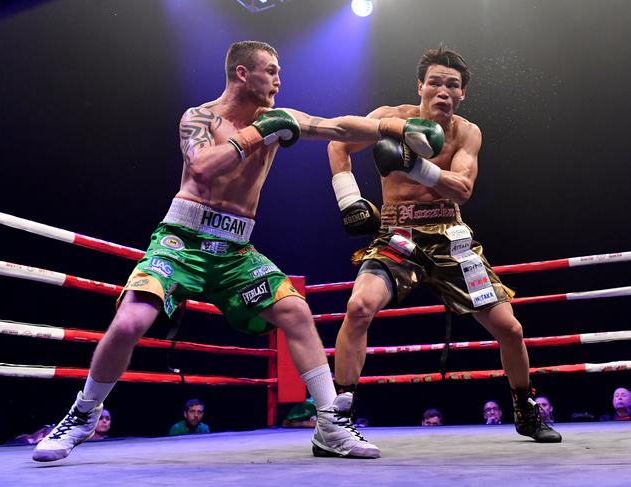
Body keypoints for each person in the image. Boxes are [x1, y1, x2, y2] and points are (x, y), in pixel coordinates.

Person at [33, 40, 434, 462]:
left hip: (236, 249)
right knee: (132, 319)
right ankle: (82, 415)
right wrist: (256, 133)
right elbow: (203, 166)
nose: (280, 80)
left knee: (295, 311)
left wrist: (396, 129)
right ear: (243, 73)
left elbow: (337, 127)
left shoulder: (280, 118)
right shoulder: (199, 117)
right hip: (181, 241)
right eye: (271, 71)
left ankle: (331, 425)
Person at [328, 47, 561, 446]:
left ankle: (525, 409)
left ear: (462, 94)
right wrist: (348, 198)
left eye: (452, 85)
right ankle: (337, 415)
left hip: (451, 238)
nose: (442, 91)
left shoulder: (467, 132)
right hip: (397, 235)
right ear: (420, 85)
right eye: (434, 82)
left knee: (510, 328)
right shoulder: (391, 118)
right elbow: (337, 143)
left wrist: (413, 165)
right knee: (358, 306)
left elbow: (464, 189)